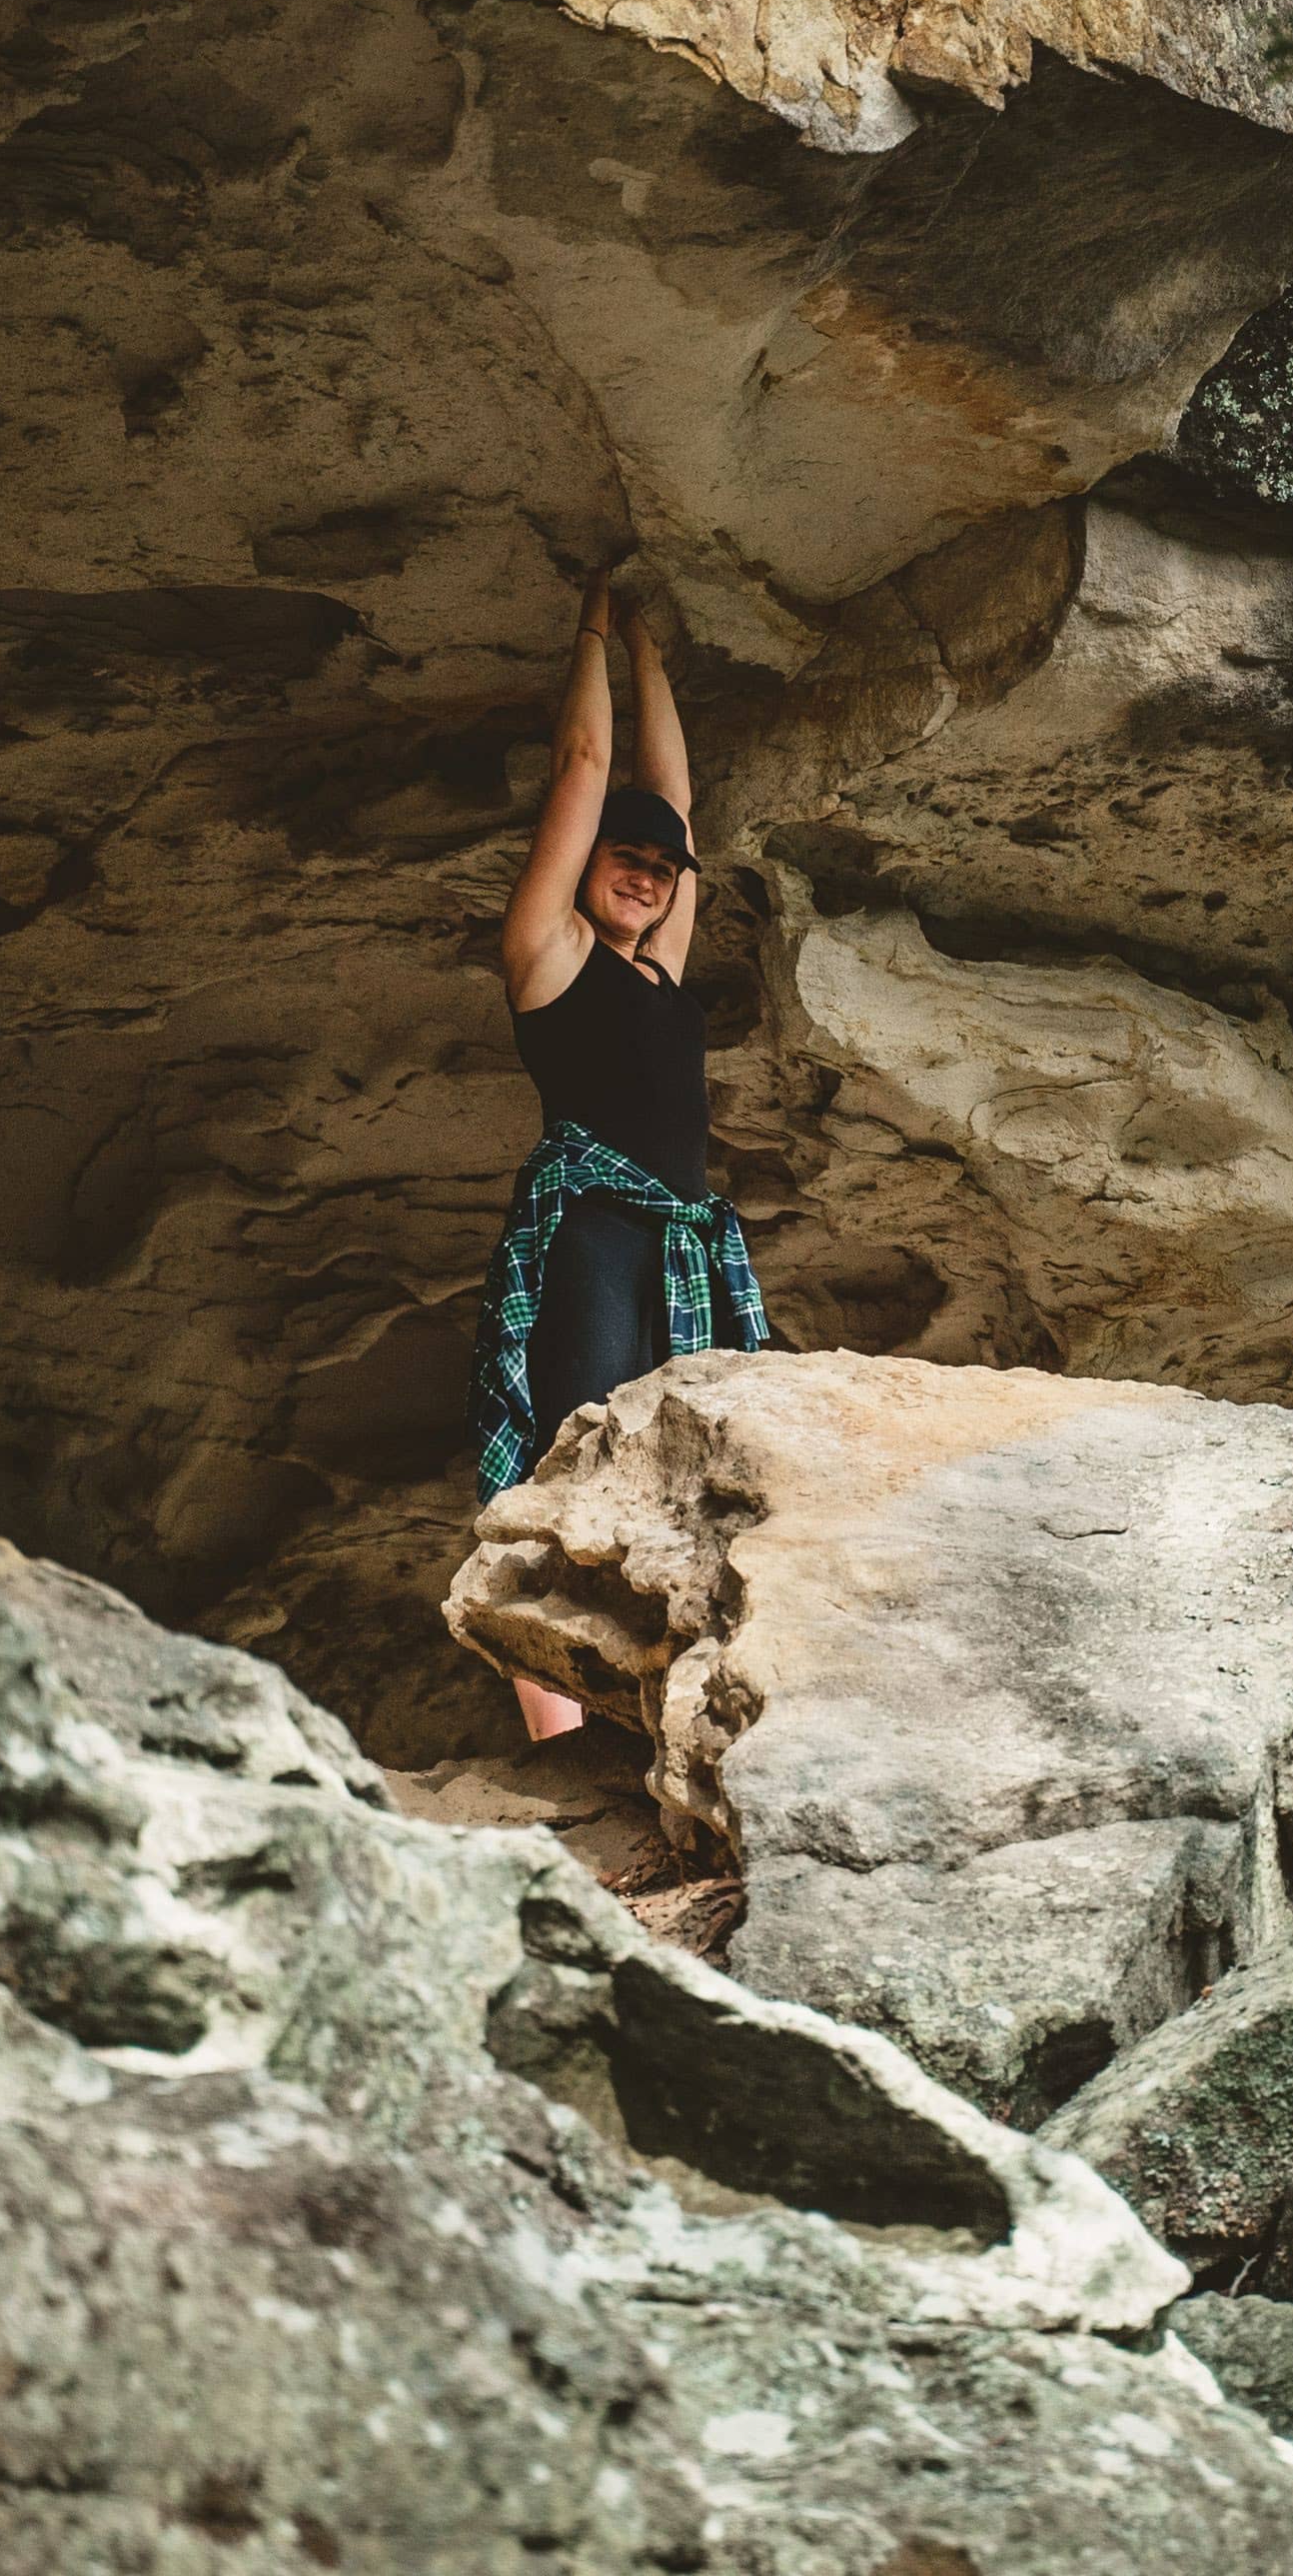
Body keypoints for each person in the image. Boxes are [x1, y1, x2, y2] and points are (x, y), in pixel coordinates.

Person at [466, 571, 773, 1739]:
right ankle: (559, 1743)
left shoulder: (659, 967)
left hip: (677, 1244)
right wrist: (592, 624)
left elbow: (674, 804)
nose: (648, 872)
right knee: (571, 1468)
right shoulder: (547, 954)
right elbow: (585, 775)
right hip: (591, 1235)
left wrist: (655, 646)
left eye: (662, 868)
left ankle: (652, 1719)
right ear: (586, 865)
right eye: (624, 860)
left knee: (679, 1479)